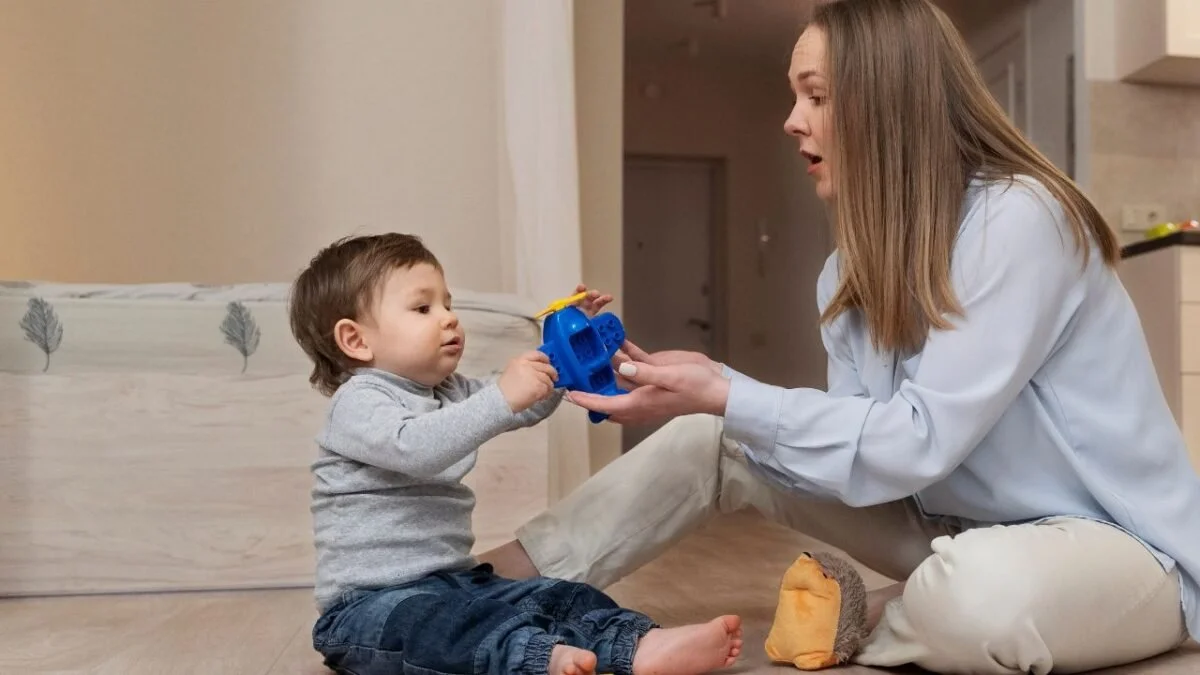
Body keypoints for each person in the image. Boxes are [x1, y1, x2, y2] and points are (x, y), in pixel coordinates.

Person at [477, 0, 1200, 673]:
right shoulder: (846, 274)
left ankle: (878, 612)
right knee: (717, 435)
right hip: (951, 525)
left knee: (978, 596)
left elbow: (919, 439)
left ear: (890, 104)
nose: (792, 120)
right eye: (796, 97)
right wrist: (708, 397)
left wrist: (730, 390)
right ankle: (488, 586)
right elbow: (871, 459)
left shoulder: (1018, 220)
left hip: (1119, 547)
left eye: (816, 96)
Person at [287, 233, 744, 675]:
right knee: (443, 628)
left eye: (448, 304)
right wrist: (501, 398)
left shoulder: (449, 390)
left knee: (558, 596)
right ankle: (537, 658)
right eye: (423, 308)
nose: (448, 318)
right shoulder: (359, 402)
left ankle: (639, 644)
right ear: (356, 340)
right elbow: (418, 449)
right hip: (367, 606)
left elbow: (520, 405)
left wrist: (563, 357)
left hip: (454, 581)